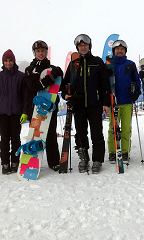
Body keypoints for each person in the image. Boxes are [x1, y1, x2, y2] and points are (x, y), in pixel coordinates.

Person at [61, 34, 111, 174]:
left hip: (95, 104)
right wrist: (66, 94)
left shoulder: (97, 62)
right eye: (80, 45)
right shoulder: (73, 64)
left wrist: (106, 103)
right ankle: (84, 159)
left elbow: (105, 84)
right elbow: (65, 83)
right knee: (80, 133)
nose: (83, 47)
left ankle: (97, 160)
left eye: (85, 45)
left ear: (89, 46)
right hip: (78, 105)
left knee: (97, 133)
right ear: (77, 47)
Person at [24, 40, 63, 171]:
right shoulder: (29, 70)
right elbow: (35, 86)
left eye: (42, 51)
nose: (40, 53)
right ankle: (32, 161)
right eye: (38, 51)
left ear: (46, 52)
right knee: (35, 135)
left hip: (50, 108)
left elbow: (59, 86)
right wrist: (51, 77)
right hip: (35, 109)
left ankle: (54, 161)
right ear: (34, 53)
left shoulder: (53, 68)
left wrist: (59, 73)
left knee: (51, 135)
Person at [107, 40, 141, 164]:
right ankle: (112, 152)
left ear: (125, 51)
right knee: (113, 128)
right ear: (114, 51)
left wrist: (136, 92)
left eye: (122, 49)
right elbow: (104, 82)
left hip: (127, 102)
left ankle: (125, 151)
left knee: (126, 128)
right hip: (113, 101)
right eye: (117, 49)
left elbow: (137, 81)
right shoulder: (109, 65)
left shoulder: (130, 65)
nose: (119, 51)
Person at [0, 49, 28, 174]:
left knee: (15, 139)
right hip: (3, 113)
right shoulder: (0, 76)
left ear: (14, 61)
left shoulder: (21, 76)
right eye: (6, 61)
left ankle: (15, 162)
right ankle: (5, 163)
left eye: (10, 60)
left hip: (16, 112)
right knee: (4, 139)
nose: (8, 63)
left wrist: (24, 112)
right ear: (3, 62)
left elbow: (25, 96)